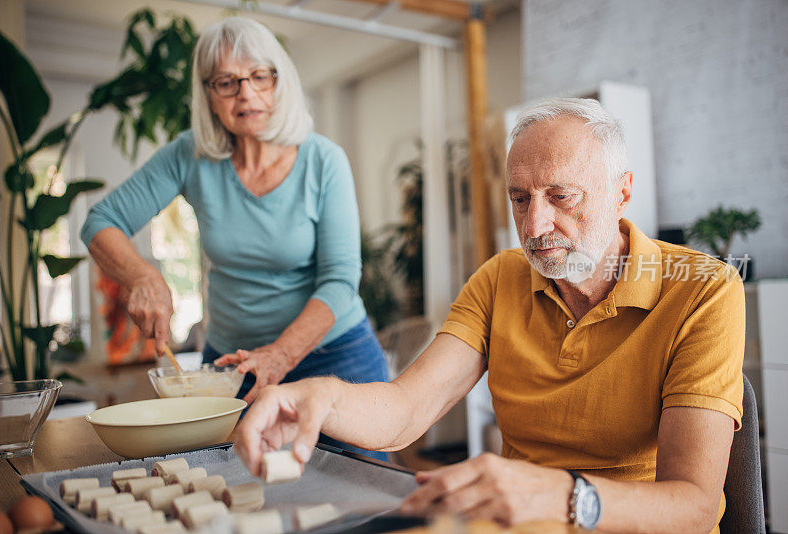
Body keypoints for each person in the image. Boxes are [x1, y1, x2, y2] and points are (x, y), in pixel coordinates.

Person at [234, 98, 744, 533]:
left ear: (623, 192)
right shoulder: (500, 278)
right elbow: (404, 411)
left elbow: (694, 509)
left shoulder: (706, 290)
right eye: (519, 199)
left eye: (561, 196)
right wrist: (318, 398)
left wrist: (562, 495)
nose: (535, 223)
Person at [80, 17, 389, 459]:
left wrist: (281, 355)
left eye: (259, 76)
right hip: (232, 369)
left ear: (280, 81)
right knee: (239, 496)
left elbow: (341, 279)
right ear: (208, 93)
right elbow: (101, 220)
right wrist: (143, 276)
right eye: (226, 82)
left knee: (362, 502)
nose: (246, 93)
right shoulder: (190, 155)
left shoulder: (324, 161)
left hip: (335, 357)